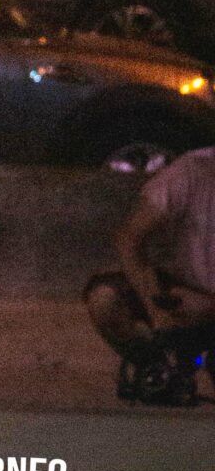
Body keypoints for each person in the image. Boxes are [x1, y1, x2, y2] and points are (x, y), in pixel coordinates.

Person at [84, 143, 215, 404]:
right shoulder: (192, 171)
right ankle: (162, 368)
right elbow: (129, 238)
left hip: (205, 305)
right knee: (106, 300)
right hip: (182, 296)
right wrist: (155, 309)